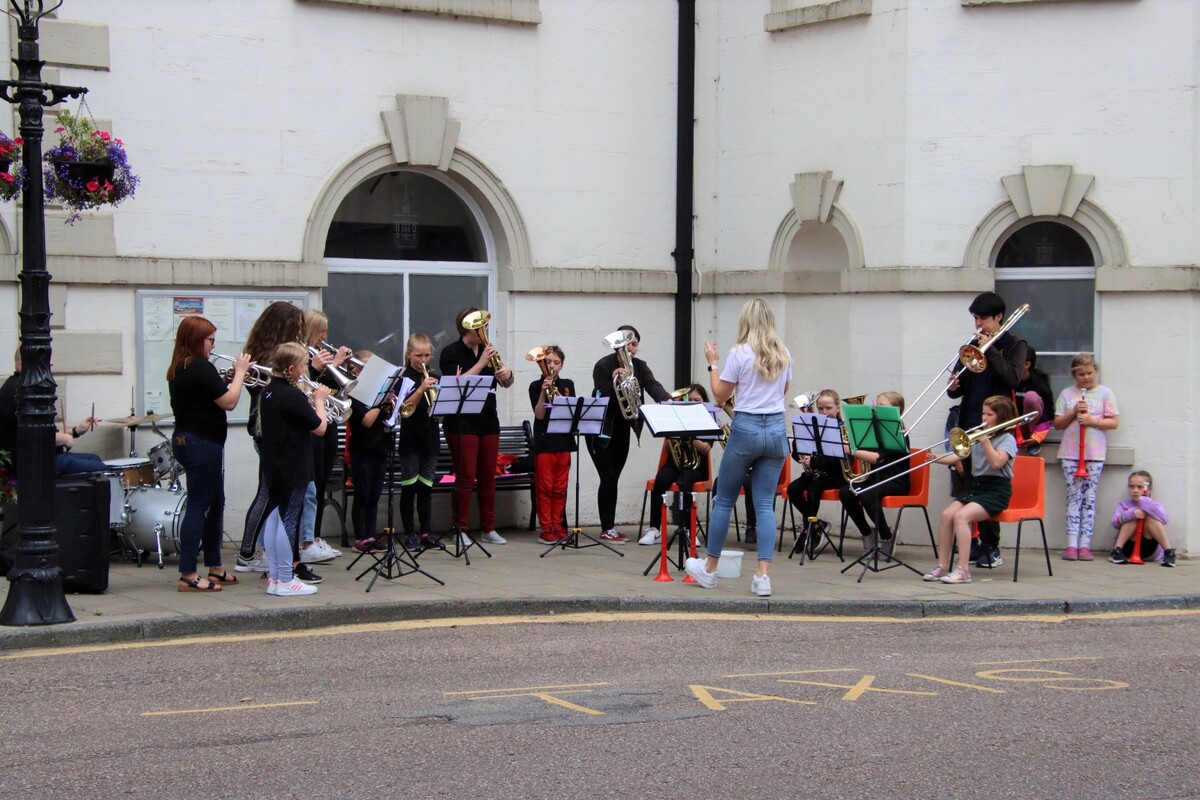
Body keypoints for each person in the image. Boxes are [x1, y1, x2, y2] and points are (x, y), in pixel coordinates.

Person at [685, 298, 792, 597]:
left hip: (746, 426)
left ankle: (710, 570)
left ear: (746, 321)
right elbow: (783, 390)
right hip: (775, 428)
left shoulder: (740, 353)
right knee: (764, 504)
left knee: (724, 499)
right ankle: (762, 576)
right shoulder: (783, 353)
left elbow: (719, 395)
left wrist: (713, 362)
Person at [166, 315, 251, 592]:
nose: (213, 345)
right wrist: (239, 373)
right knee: (198, 506)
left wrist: (225, 378)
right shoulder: (200, 367)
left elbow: (207, 395)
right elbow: (229, 401)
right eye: (210, 340)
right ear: (196, 340)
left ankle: (214, 567)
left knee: (216, 502)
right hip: (201, 443)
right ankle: (188, 574)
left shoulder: (180, 367)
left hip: (190, 440)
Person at [946, 291, 1026, 570]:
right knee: (965, 480)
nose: (979, 324)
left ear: (999, 317)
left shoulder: (1015, 344)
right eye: (976, 318)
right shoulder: (971, 344)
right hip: (970, 418)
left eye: (984, 319)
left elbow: (1013, 378)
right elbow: (957, 389)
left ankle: (991, 546)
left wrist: (989, 348)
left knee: (988, 482)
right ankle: (969, 543)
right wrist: (954, 386)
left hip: (995, 424)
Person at [236, 301, 306, 574]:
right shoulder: (266, 364)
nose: (300, 333)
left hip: (274, 433)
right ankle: (247, 553)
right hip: (270, 434)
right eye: (297, 328)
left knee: (271, 494)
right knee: (268, 494)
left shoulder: (262, 354)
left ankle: (261, 551)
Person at [922, 395, 1019, 585]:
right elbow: (957, 456)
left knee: (962, 517)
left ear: (1002, 417)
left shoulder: (1007, 439)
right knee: (947, 515)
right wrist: (935, 458)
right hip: (977, 486)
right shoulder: (979, 435)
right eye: (983, 413)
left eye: (989, 414)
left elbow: (997, 462)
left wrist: (985, 441)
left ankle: (963, 570)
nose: (984, 418)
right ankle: (942, 566)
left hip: (996, 490)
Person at [587, 324, 670, 544]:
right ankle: (606, 528)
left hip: (624, 429)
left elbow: (653, 386)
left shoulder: (640, 368)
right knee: (608, 476)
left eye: (635, 345)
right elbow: (601, 395)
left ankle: (610, 526)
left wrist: (668, 400)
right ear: (619, 345)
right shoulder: (603, 366)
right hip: (602, 431)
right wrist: (616, 382)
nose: (633, 349)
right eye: (630, 344)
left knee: (615, 476)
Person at [258, 342, 329, 597]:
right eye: (302, 366)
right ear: (290, 368)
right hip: (294, 466)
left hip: (275, 465)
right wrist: (319, 400)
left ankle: (276, 578)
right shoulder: (292, 395)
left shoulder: (268, 392)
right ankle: (287, 579)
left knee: (275, 520)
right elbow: (319, 427)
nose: (304, 371)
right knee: (289, 522)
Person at [439, 307, 514, 546]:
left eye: (483, 327)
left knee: (487, 477)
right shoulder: (450, 352)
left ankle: (488, 528)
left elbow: (506, 384)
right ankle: (459, 529)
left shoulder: (488, 350)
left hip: (488, 421)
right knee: (465, 476)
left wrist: (507, 373)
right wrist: (482, 362)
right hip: (461, 423)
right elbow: (455, 385)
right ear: (465, 329)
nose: (482, 332)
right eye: (477, 328)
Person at [1052, 352, 1119, 561]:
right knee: (1073, 497)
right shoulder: (1066, 394)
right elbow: (1057, 424)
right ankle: (1071, 544)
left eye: (1089, 373)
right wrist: (1073, 413)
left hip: (1094, 454)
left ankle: (1085, 545)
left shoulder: (1105, 393)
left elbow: (1114, 422)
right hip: (1070, 453)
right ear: (1074, 375)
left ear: (1095, 371)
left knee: (1089, 498)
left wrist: (1092, 420)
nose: (1086, 378)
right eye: (1081, 374)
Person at [0, 349, 105, 476]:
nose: (51, 363)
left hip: (40, 457)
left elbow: (43, 429)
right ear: (27, 363)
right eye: (45, 360)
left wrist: (76, 431)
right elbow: (35, 435)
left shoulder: (22, 386)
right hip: (30, 463)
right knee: (101, 469)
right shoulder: (19, 392)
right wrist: (65, 439)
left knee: (94, 459)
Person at [299, 308, 349, 565]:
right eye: (321, 332)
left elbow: (335, 387)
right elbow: (307, 387)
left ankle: (315, 537)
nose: (325, 337)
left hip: (329, 423)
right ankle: (308, 538)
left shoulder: (316, 356)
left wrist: (336, 367)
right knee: (313, 485)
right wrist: (333, 365)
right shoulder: (301, 357)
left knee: (320, 484)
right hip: (312, 426)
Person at [639, 384, 711, 547]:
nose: (692, 403)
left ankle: (689, 530)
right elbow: (667, 449)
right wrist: (672, 431)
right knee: (660, 481)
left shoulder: (709, 418)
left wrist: (691, 436)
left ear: (704, 401)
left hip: (696, 466)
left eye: (697, 400)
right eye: (689, 400)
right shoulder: (677, 418)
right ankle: (655, 529)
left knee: (686, 483)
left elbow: (706, 450)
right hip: (675, 463)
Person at [838, 391, 910, 548]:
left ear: (895, 409)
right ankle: (867, 533)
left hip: (896, 480)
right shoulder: (874, 429)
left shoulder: (898, 432)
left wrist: (850, 450)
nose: (875, 409)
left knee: (867, 493)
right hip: (875, 478)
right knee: (846, 492)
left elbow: (878, 458)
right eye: (876, 405)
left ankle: (886, 536)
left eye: (881, 406)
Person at [785, 389, 848, 553]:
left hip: (835, 475)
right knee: (793, 489)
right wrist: (800, 444)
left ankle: (808, 530)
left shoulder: (842, 428)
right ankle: (817, 524)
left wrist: (814, 461)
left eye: (828, 408)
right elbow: (795, 453)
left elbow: (837, 460)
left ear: (837, 408)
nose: (824, 412)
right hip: (816, 473)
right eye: (821, 408)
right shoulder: (812, 426)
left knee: (814, 488)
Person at [396, 334, 442, 551]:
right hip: (410, 439)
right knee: (409, 487)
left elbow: (440, 409)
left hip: (430, 437)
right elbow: (403, 408)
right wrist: (421, 389)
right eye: (418, 355)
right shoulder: (403, 377)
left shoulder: (434, 375)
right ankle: (410, 533)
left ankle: (426, 531)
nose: (423, 359)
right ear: (408, 354)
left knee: (426, 487)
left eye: (427, 354)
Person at [529, 345, 576, 545]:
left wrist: (558, 397)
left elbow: (570, 412)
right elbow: (539, 414)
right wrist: (543, 392)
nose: (552, 366)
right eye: (548, 362)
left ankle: (558, 525)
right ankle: (546, 527)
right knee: (545, 487)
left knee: (560, 488)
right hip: (544, 441)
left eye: (556, 362)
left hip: (563, 441)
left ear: (562, 365)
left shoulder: (567, 384)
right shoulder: (534, 385)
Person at [346, 350, 390, 553]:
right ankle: (361, 537)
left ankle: (371, 535)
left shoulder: (376, 393)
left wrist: (392, 403)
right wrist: (383, 400)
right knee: (362, 494)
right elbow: (367, 420)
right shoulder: (354, 393)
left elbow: (388, 419)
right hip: (361, 450)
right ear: (355, 368)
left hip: (380, 448)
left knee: (374, 495)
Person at [1108, 470, 1174, 567]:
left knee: (1150, 518)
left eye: (1140, 487)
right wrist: (1131, 514)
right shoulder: (1124, 505)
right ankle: (1116, 551)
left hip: (1149, 549)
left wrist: (1146, 504)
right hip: (1127, 549)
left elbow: (1164, 519)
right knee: (1133, 517)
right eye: (1132, 486)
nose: (1135, 490)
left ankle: (1169, 552)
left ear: (1149, 488)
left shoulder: (1155, 505)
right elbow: (1115, 522)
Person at [1014, 345, 1054, 454]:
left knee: (1031, 396)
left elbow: (1049, 411)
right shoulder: (1009, 380)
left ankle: (1032, 438)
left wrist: (1038, 436)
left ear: (1027, 364)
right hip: (1014, 426)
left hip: (1032, 427)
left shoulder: (1040, 384)